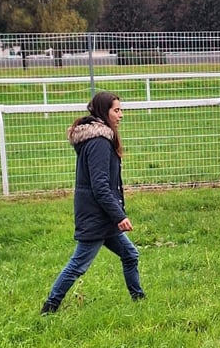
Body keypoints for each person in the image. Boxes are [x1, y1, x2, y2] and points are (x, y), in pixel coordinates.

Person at [41, 91, 145, 313]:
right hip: (98, 216)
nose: (121, 115)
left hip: (102, 216)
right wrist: (120, 215)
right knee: (78, 264)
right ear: (103, 112)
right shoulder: (99, 142)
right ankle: (49, 307)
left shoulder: (100, 138)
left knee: (130, 254)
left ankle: (140, 301)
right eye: (116, 110)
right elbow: (100, 186)